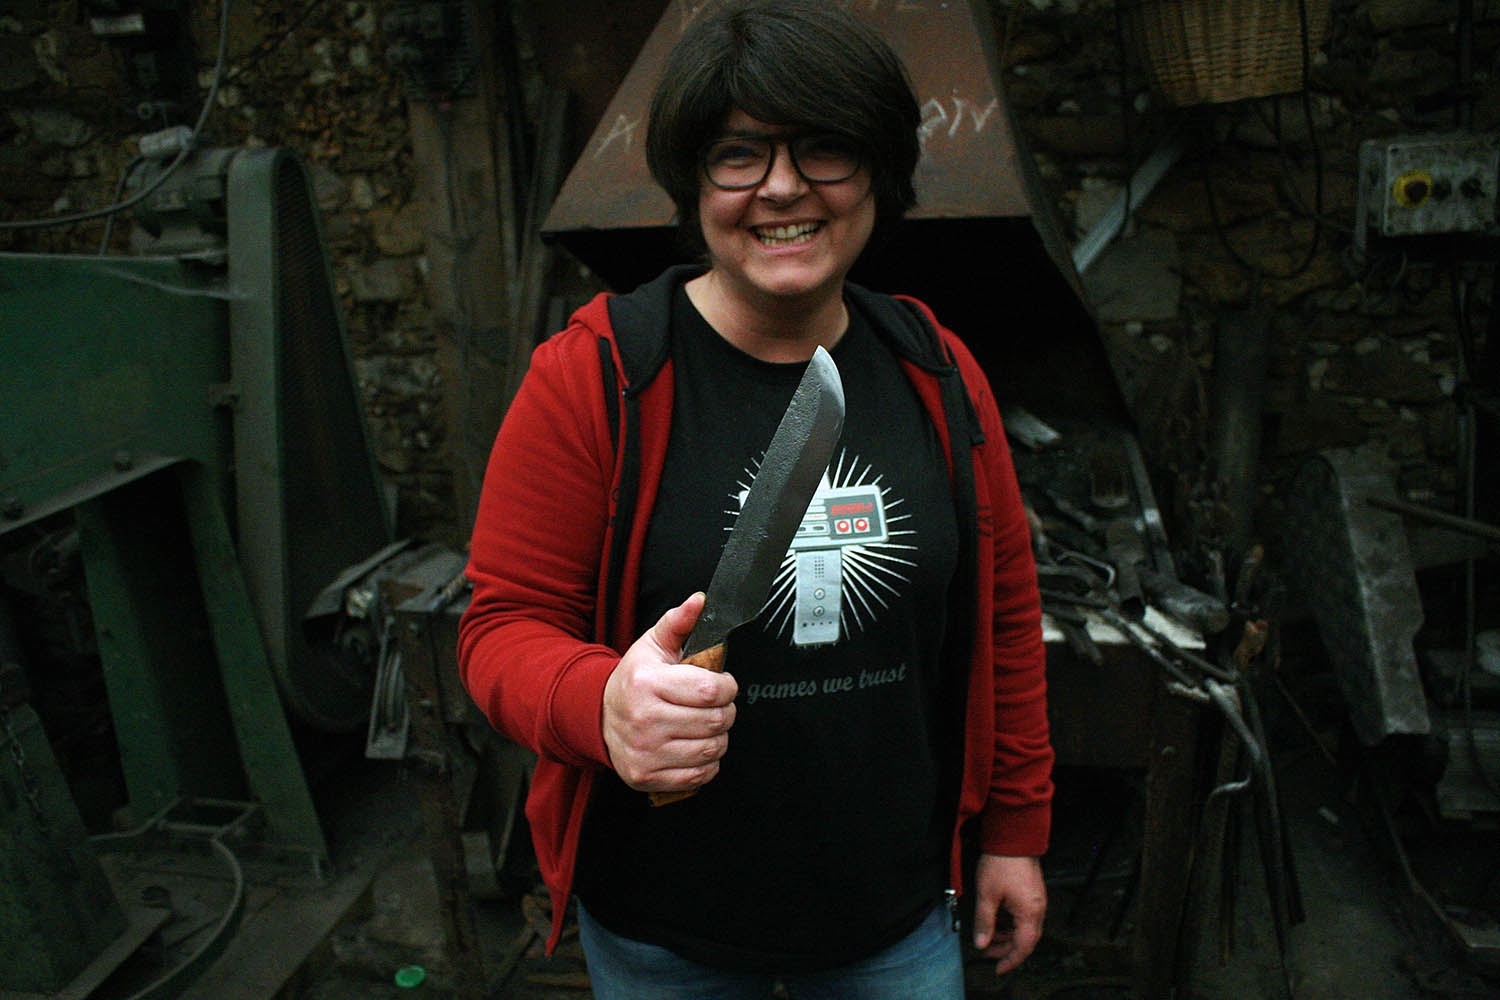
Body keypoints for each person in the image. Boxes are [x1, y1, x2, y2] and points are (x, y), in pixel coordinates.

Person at [457, 1, 1054, 995]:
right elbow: (500, 629)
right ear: (693, 183)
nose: (781, 186)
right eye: (738, 155)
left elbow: (1006, 617)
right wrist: (601, 703)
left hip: (894, 912)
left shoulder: (937, 369)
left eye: (826, 148)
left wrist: (1016, 830)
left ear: (879, 171)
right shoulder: (595, 375)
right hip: (664, 925)